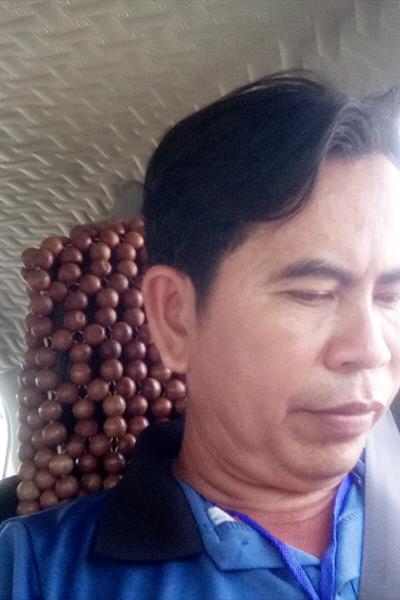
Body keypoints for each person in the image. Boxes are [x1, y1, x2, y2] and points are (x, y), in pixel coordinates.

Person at [1, 71, 400, 600]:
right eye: (312, 293)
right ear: (175, 318)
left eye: (390, 297)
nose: (370, 349)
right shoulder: (33, 573)